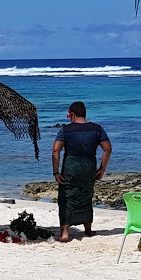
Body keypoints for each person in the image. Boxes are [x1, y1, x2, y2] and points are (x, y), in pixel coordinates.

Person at [50, 101, 111, 242]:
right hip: (89, 165)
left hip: (71, 166)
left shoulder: (66, 130)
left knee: (66, 197)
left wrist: (56, 172)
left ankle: (65, 233)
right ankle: (88, 229)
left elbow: (55, 151)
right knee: (86, 194)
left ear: (72, 114)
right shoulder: (97, 128)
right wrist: (102, 169)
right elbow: (107, 149)